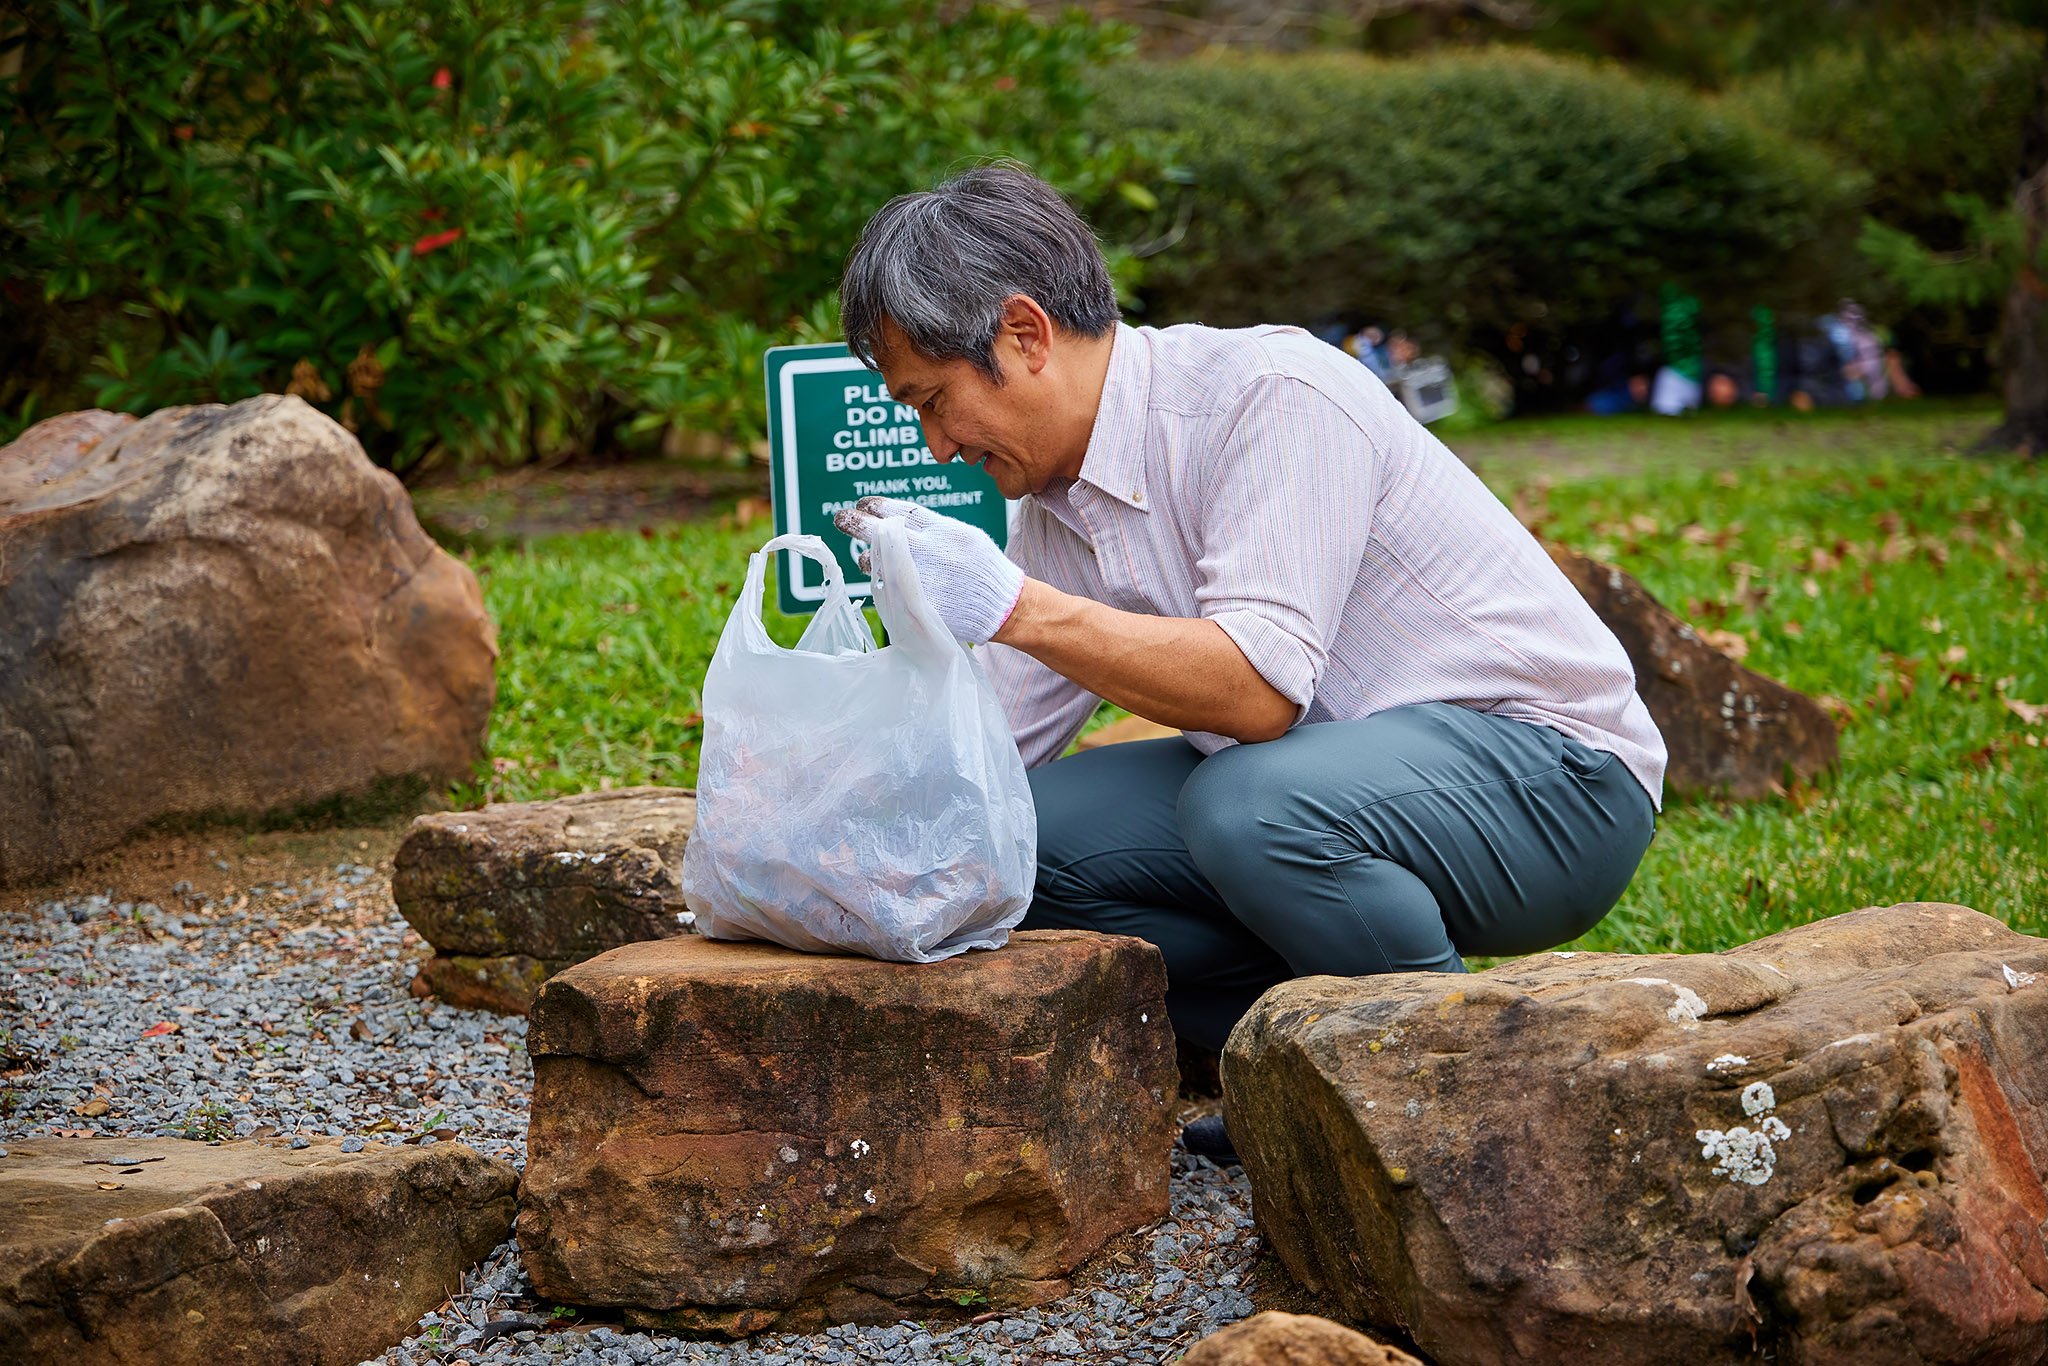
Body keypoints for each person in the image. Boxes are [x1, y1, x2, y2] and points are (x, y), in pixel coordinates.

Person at [831, 166, 1664, 1162]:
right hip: (1331, 783)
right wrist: (827, 831)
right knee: (1018, 841)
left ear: (1023, 334)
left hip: (1554, 784)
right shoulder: (1056, 509)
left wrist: (1015, 608)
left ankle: (1442, 1091)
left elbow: (1257, 693)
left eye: (934, 401)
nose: (933, 447)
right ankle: (1292, 1072)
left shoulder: (1269, 395)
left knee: (1252, 803)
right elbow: (986, 750)